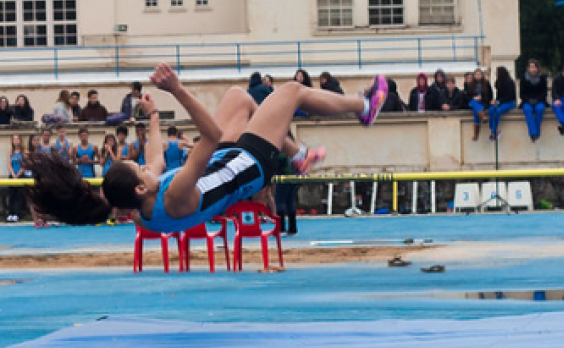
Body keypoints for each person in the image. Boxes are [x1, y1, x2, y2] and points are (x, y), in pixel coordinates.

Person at [27, 63, 386, 229]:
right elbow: (211, 135)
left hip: (226, 158)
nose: (145, 167)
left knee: (238, 97)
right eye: (139, 171)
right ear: (139, 186)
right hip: (250, 163)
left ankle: (297, 155)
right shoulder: (174, 197)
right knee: (291, 92)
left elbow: (152, 160)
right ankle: (364, 107)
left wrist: (152, 116)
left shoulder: (140, 201)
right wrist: (177, 90)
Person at [519, 59, 548, 142]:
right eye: (531, 67)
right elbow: (521, 94)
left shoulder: (542, 78)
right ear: (528, 68)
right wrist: (528, 100)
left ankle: (537, 132)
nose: (533, 69)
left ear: (537, 68)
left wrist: (538, 100)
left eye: (534, 67)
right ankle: (533, 133)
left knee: (540, 109)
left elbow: (544, 92)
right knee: (528, 110)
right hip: (527, 101)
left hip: (540, 100)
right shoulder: (523, 78)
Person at [489, 66, 516, 140]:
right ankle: (492, 129)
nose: (496, 74)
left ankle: (494, 131)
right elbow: (499, 96)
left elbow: (510, 96)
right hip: (501, 102)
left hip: (510, 102)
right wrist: (495, 101)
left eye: (497, 73)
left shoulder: (510, 82)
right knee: (491, 109)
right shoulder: (498, 82)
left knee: (498, 111)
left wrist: (498, 101)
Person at [468, 68, 494, 140]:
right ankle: (482, 117)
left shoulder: (486, 83)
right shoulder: (470, 84)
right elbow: (467, 96)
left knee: (476, 112)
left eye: (479, 74)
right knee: (474, 103)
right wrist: (474, 97)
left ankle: (476, 135)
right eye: (476, 74)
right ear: (474, 76)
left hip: (483, 102)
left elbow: (490, 94)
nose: (478, 76)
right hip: (472, 102)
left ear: (482, 75)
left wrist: (484, 99)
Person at [7, 134, 25, 222]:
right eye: (14, 139)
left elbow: (24, 165)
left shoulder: (23, 152)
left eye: (17, 139)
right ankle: (10, 213)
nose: (16, 141)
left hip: (20, 175)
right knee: (11, 195)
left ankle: (17, 214)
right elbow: (9, 165)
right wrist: (13, 174)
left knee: (19, 195)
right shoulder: (11, 152)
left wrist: (18, 174)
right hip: (12, 175)